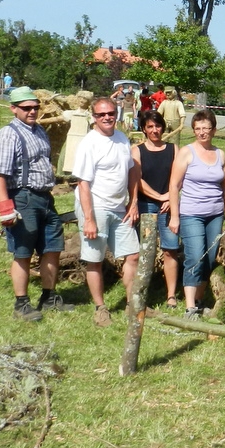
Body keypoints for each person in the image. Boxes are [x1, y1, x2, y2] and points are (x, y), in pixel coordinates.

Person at [0, 86, 75, 321]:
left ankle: (48, 297)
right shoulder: (8, 134)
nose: (32, 111)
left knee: (52, 248)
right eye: (26, 108)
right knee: (23, 252)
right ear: (13, 109)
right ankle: (21, 304)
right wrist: (5, 207)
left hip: (45, 197)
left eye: (35, 107)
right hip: (23, 198)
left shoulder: (39, 131)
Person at [73, 96, 140, 327]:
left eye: (110, 113)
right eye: (101, 114)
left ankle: (132, 304)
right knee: (95, 259)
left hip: (120, 208)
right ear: (94, 117)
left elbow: (131, 172)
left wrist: (133, 202)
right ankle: (100, 308)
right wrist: (89, 219)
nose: (107, 117)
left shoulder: (122, 139)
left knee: (133, 255)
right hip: (96, 206)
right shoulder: (89, 144)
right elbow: (83, 183)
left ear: (116, 114)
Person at [168, 109, 225, 319]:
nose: (202, 132)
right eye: (198, 128)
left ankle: (198, 301)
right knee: (195, 257)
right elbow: (174, 185)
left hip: (215, 214)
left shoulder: (220, 154)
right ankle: (189, 308)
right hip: (191, 214)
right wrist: (175, 216)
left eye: (206, 128)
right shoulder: (186, 153)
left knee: (209, 258)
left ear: (214, 130)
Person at [131, 110, 180, 309]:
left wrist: (171, 197)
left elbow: (179, 176)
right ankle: (143, 292)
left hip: (169, 204)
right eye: (150, 127)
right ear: (144, 129)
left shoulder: (173, 149)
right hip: (146, 204)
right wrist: (160, 197)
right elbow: (137, 180)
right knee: (145, 251)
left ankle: (171, 295)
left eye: (157, 126)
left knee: (170, 249)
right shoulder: (137, 150)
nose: (154, 130)